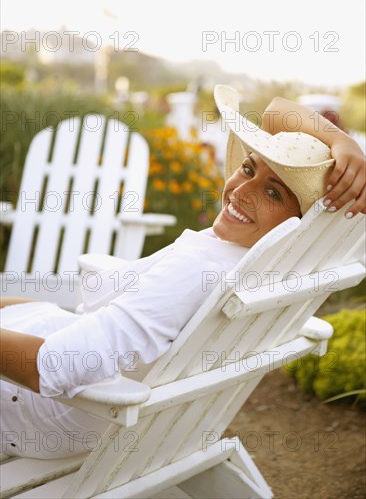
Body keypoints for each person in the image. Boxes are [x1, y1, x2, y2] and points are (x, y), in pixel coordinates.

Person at [1, 86, 365, 459]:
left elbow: (51, 367)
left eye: (274, 194)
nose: (242, 192)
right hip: (80, 375)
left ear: (300, 223)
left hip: (40, 409)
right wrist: (344, 144)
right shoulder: (263, 267)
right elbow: (276, 112)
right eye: (248, 168)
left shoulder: (197, 272)